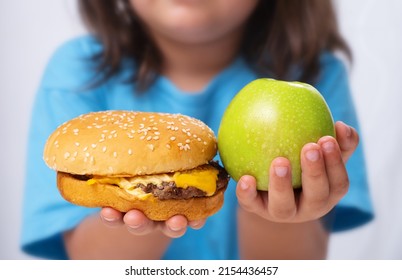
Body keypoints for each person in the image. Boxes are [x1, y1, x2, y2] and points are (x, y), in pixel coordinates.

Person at [21, 0, 373, 260]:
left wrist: (277, 209)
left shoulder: (318, 73)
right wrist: (150, 210)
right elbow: (88, 263)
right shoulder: (78, 72)